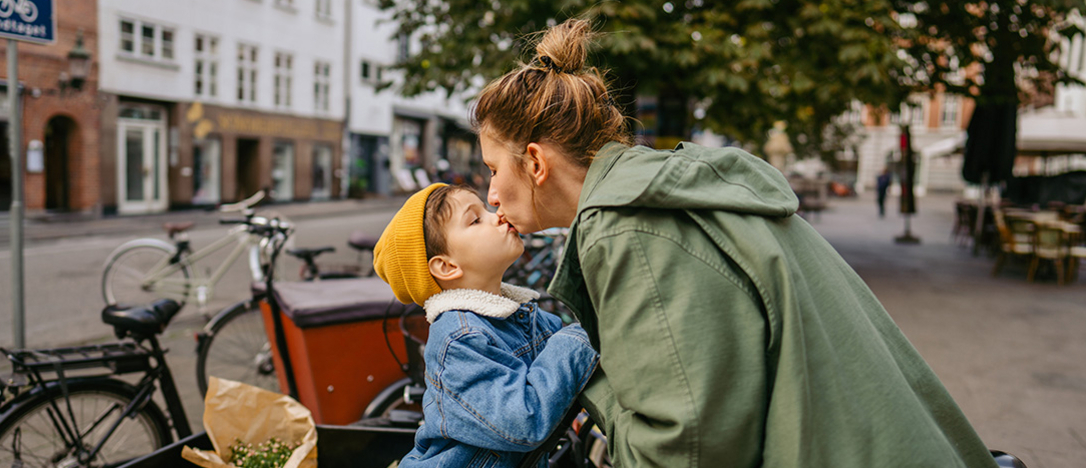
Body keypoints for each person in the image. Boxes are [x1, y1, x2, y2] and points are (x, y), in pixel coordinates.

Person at [473, 19, 998, 468]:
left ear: (536, 163)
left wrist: (586, 377)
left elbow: (682, 454)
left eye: (494, 169)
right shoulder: (668, 188)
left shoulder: (626, 227)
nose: (491, 193)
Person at [373, 183, 598, 468]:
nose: (498, 215)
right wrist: (583, 334)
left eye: (487, 209)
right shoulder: (458, 338)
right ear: (446, 267)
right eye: (475, 219)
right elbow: (524, 421)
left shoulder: (522, 316)